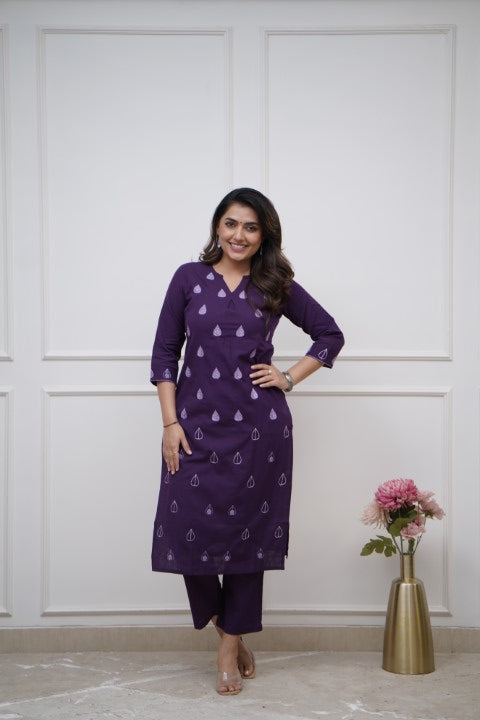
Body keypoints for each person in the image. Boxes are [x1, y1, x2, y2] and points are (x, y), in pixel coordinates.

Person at [150, 188, 344, 695]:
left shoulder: (273, 283)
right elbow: (165, 353)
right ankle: (228, 628)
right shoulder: (188, 278)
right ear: (218, 226)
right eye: (231, 224)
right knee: (184, 530)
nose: (239, 235)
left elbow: (329, 334)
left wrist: (289, 377)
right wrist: (170, 424)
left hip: (259, 431)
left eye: (251, 227)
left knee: (247, 539)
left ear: (264, 236)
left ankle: (228, 648)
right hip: (192, 428)